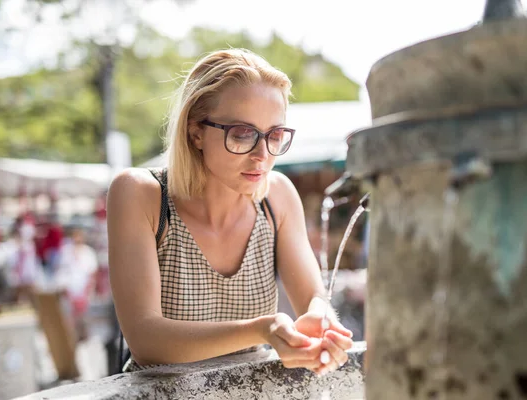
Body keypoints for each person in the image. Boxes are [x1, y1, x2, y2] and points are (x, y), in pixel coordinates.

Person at [107, 48, 353, 375]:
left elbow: (314, 297)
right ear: (195, 132)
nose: (262, 155)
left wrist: (322, 322)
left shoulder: (276, 196)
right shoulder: (141, 194)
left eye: (275, 135)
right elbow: (145, 340)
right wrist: (261, 330)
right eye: (241, 135)